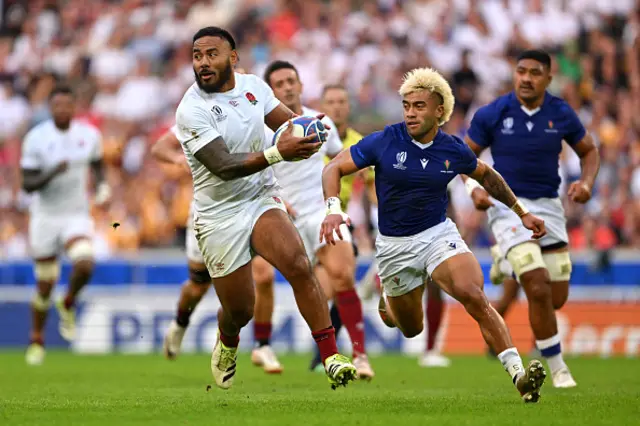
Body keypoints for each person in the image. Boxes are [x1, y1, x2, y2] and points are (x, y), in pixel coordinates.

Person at [321, 67, 547, 403]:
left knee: (473, 294)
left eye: (419, 106)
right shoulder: (386, 140)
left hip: (438, 235)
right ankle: (389, 303)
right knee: (411, 328)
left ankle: (518, 375)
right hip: (395, 247)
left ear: (439, 110)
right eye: (406, 106)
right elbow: (333, 167)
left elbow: (487, 176)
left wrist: (521, 211)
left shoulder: (452, 149)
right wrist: (332, 209)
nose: (410, 113)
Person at [174, 27, 356, 390]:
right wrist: (278, 152)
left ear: (233, 58)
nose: (203, 63)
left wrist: (311, 131)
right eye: (197, 56)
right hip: (218, 214)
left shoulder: (254, 87)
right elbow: (223, 166)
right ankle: (227, 341)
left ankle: (331, 355)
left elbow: (289, 123)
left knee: (299, 264)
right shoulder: (190, 109)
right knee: (240, 309)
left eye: (212, 54)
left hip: (260, 197)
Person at [463, 50, 600, 388]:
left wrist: (586, 182)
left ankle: (506, 262)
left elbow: (590, 151)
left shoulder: (561, 113)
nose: (526, 78)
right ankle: (558, 368)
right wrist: (473, 190)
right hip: (506, 206)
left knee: (556, 297)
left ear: (548, 79)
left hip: (549, 207)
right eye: (521, 71)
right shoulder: (494, 113)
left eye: (534, 73)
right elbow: (464, 156)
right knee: (536, 286)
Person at [262, 62, 374, 380]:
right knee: (311, 291)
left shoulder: (317, 121)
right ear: (271, 92)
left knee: (343, 278)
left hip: (320, 215)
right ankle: (268, 343)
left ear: (299, 85)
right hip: (285, 221)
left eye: (290, 81)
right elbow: (254, 172)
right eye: (279, 83)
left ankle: (360, 356)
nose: (286, 87)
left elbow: (339, 157)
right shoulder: (262, 129)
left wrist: (336, 201)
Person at [152, 124, 285, 375]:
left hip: (250, 209)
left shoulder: (257, 114)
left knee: (264, 276)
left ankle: (262, 344)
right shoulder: (199, 116)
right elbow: (159, 148)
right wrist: (179, 158)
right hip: (209, 214)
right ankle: (180, 323)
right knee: (198, 286)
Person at [21, 85, 110, 365]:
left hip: (75, 214)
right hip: (45, 217)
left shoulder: (88, 135)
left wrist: (102, 185)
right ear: (51, 108)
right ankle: (37, 339)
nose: (62, 110)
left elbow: (97, 163)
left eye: (67, 105)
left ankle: (69, 300)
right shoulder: (36, 139)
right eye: (57, 105)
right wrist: (51, 173)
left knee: (85, 263)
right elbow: (27, 183)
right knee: (45, 284)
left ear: (74, 107)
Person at [307, 83, 377, 373]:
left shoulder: (360, 144)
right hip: (305, 222)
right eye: (330, 101)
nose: (336, 106)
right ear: (321, 106)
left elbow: (373, 190)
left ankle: (356, 355)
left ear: (348, 107)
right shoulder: (308, 137)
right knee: (321, 294)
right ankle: (325, 350)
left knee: (340, 282)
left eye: (341, 101)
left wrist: (380, 228)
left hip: (336, 224)